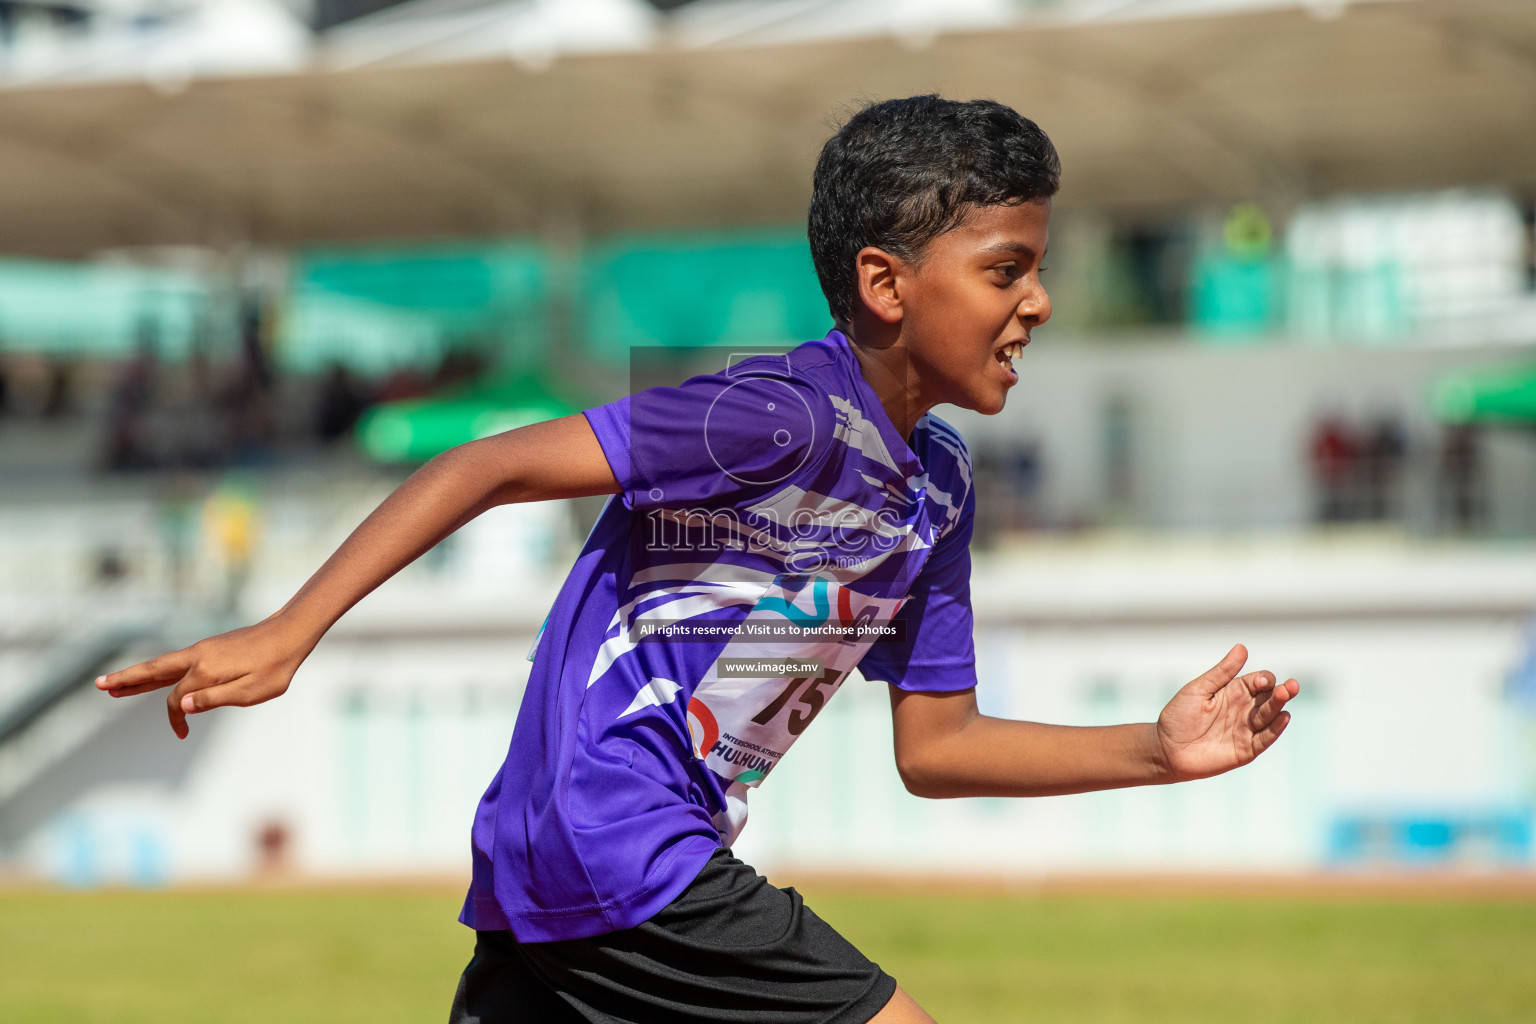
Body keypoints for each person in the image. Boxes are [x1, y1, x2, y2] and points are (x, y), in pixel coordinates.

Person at [96, 96, 1299, 1024]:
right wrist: (286, 632)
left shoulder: (936, 493)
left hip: (561, 883)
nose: (1038, 301)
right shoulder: (772, 417)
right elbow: (487, 465)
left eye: (1037, 267)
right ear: (885, 283)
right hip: (621, 844)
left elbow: (938, 748)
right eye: (1005, 269)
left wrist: (1155, 748)